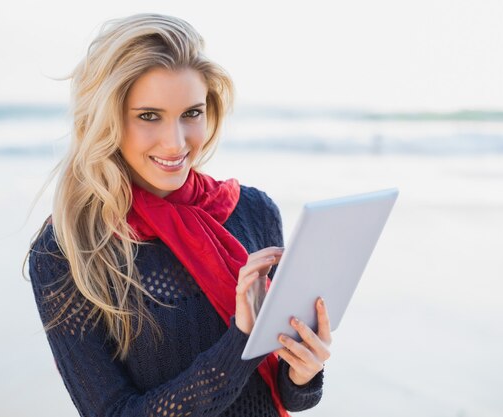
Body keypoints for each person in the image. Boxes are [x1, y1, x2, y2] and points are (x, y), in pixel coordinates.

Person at [24, 12, 332, 417]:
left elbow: (284, 393)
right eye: (148, 116)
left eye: (191, 113)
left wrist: (304, 371)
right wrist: (240, 340)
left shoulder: (253, 211)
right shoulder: (66, 251)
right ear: (108, 120)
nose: (175, 143)